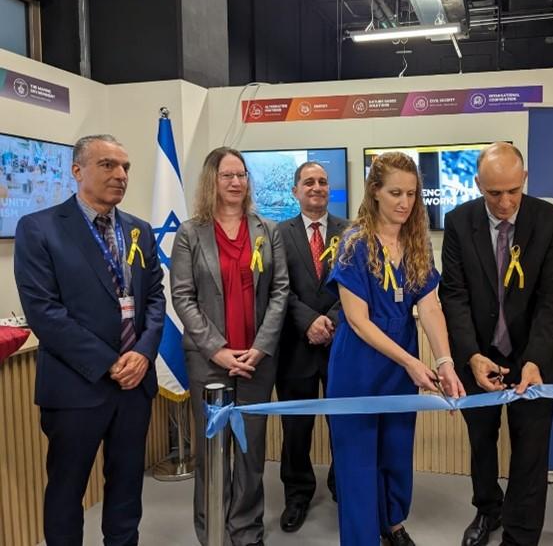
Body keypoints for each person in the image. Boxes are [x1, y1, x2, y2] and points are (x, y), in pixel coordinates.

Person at [14, 134, 165, 546]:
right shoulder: (40, 229)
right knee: (67, 491)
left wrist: (142, 354)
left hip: (134, 386)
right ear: (77, 171)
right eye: (108, 165)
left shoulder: (139, 231)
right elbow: (44, 312)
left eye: (125, 167)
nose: (120, 175)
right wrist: (109, 362)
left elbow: (154, 299)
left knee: (126, 488)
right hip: (77, 386)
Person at [326, 151, 465, 546]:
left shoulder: (417, 241)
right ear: (374, 193)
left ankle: (391, 523)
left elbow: (430, 306)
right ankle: (362, 537)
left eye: (411, 194)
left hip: (401, 364)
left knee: (395, 451)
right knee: (357, 461)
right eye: (395, 193)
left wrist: (445, 362)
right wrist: (411, 362)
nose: (405, 203)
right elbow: (356, 320)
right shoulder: (354, 243)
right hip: (360, 364)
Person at [440, 141, 553, 546]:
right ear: (478, 184)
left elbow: (552, 299)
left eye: (513, 190)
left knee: (530, 450)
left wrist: (535, 359)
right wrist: (471, 356)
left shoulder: (549, 220)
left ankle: (521, 532)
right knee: (481, 442)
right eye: (494, 193)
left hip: (533, 357)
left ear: (524, 179)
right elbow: (454, 295)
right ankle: (488, 510)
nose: (505, 201)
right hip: (479, 357)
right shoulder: (458, 222)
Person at [170, 147, 289, 546]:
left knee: (251, 452)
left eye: (241, 175)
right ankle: (213, 532)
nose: (237, 182)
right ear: (212, 181)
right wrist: (218, 350)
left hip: (257, 358)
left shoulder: (267, 230)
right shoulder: (190, 233)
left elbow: (280, 292)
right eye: (227, 176)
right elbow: (182, 297)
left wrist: (259, 347)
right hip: (209, 361)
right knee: (212, 453)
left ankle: (246, 529)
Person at [276, 161, 347, 531]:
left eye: (322, 181)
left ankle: (342, 487)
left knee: (343, 426)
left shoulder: (349, 231)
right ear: (295, 191)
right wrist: (309, 322)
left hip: (340, 347)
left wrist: (330, 320)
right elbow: (277, 290)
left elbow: (354, 286)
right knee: (296, 429)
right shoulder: (278, 234)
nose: (316, 187)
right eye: (308, 182)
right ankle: (298, 494)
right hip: (295, 348)